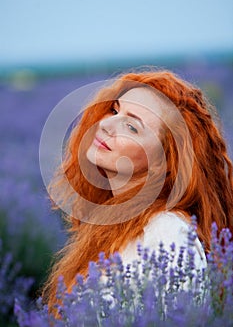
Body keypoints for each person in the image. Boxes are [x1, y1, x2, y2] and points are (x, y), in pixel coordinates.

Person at [41, 70, 233, 312]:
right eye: (114, 110)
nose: (106, 125)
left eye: (131, 127)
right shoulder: (112, 221)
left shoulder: (168, 234)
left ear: (165, 162)